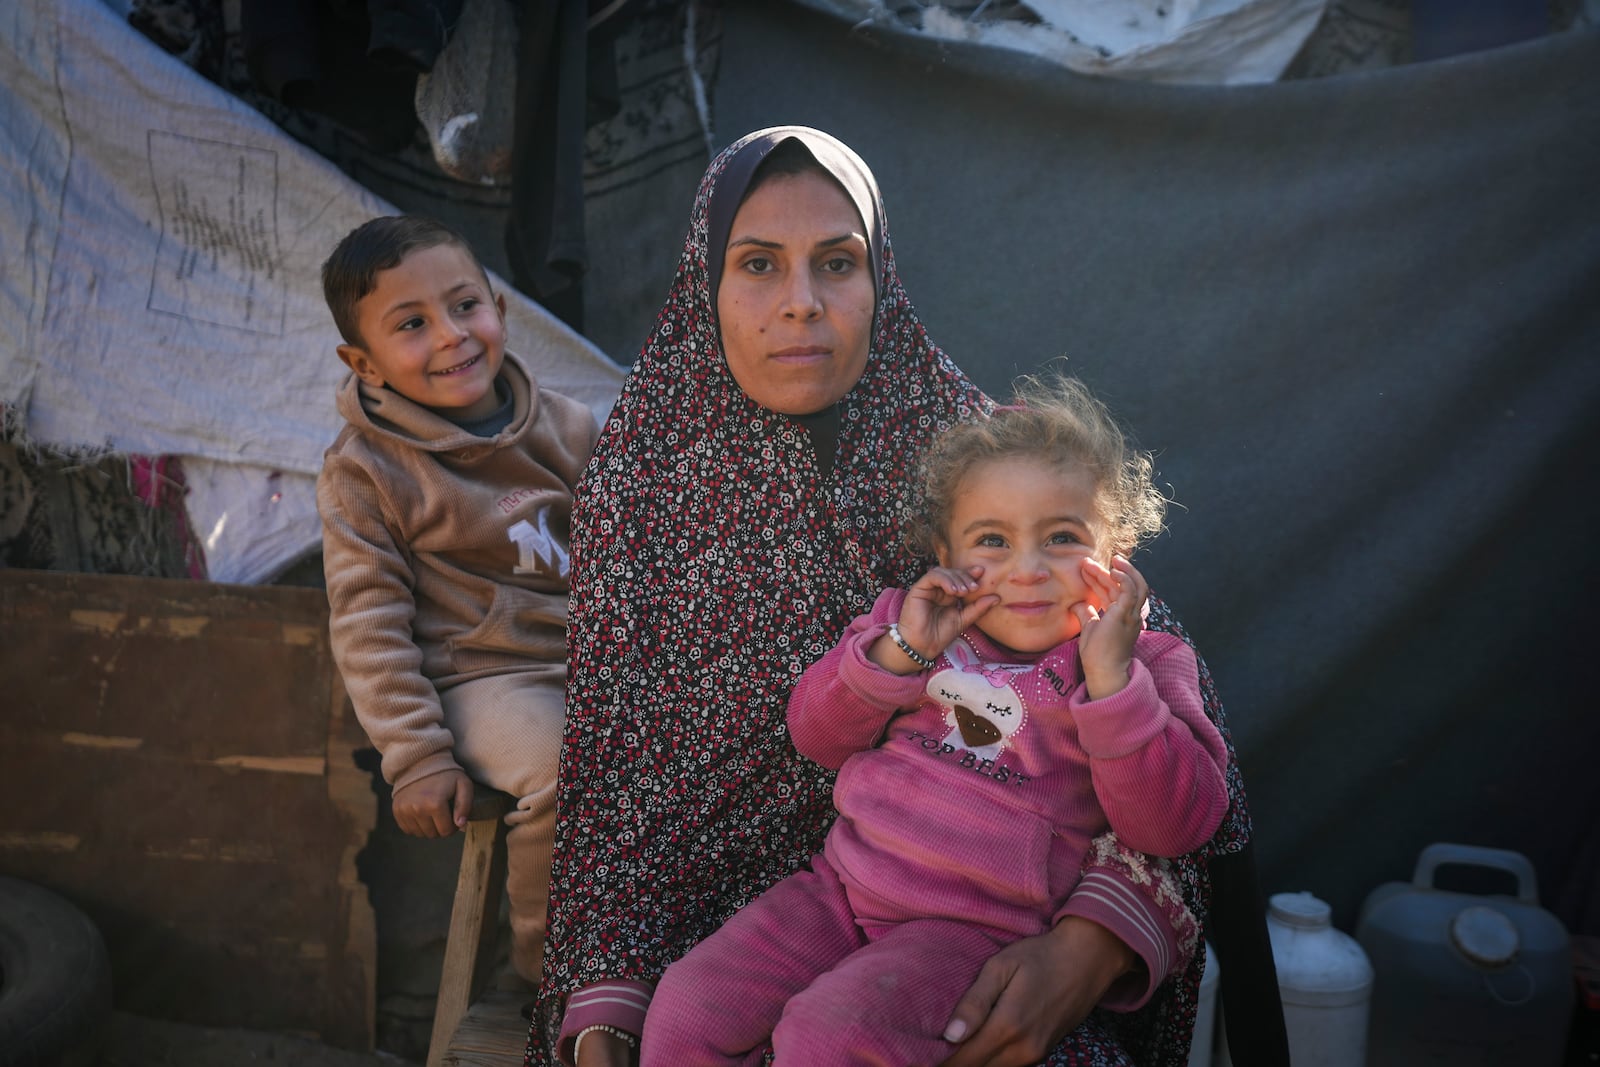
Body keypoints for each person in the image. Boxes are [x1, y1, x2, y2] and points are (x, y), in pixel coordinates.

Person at [525, 126, 1283, 1067]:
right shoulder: (641, 491)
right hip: (738, 945)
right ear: (701, 283)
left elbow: (1177, 756)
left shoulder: (989, 471)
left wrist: (1088, 947)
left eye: (836, 263)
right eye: (758, 263)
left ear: (880, 278)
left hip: (980, 964)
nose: (801, 304)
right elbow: (615, 793)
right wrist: (609, 1018)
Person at [641, 376, 1232, 1065]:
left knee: (829, 1036)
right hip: (838, 892)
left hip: (968, 933)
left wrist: (1111, 682)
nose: (1028, 569)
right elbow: (815, 734)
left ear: (1117, 552)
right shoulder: (911, 625)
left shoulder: (1143, 663)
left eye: (1062, 536)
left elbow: (1177, 824)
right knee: (687, 1004)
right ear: (947, 558)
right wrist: (902, 651)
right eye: (992, 539)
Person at [316, 215, 598, 984]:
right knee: (560, 759)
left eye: (464, 305)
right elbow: (369, 626)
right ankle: (553, 973)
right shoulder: (366, 472)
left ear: (499, 309)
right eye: (411, 324)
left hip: (590, 655)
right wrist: (415, 756)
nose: (452, 336)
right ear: (364, 363)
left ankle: (662, 952)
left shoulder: (570, 426)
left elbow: (640, 541)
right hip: (479, 677)